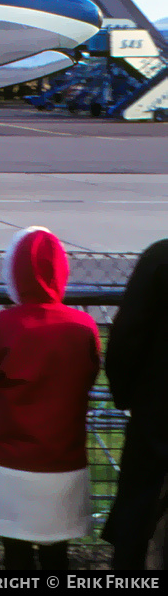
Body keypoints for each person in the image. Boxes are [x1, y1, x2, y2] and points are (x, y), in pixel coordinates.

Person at [0, 226, 101, 572]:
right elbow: (89, 375)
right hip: (64, 459)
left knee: (16, 554)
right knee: (57, 553)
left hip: (10, 460)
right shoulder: (84, 327)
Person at [102, 239, 168, 569]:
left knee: (138, 509)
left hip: (158, 411)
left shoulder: (160, 258)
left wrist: (125, 393)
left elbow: (127, 335)